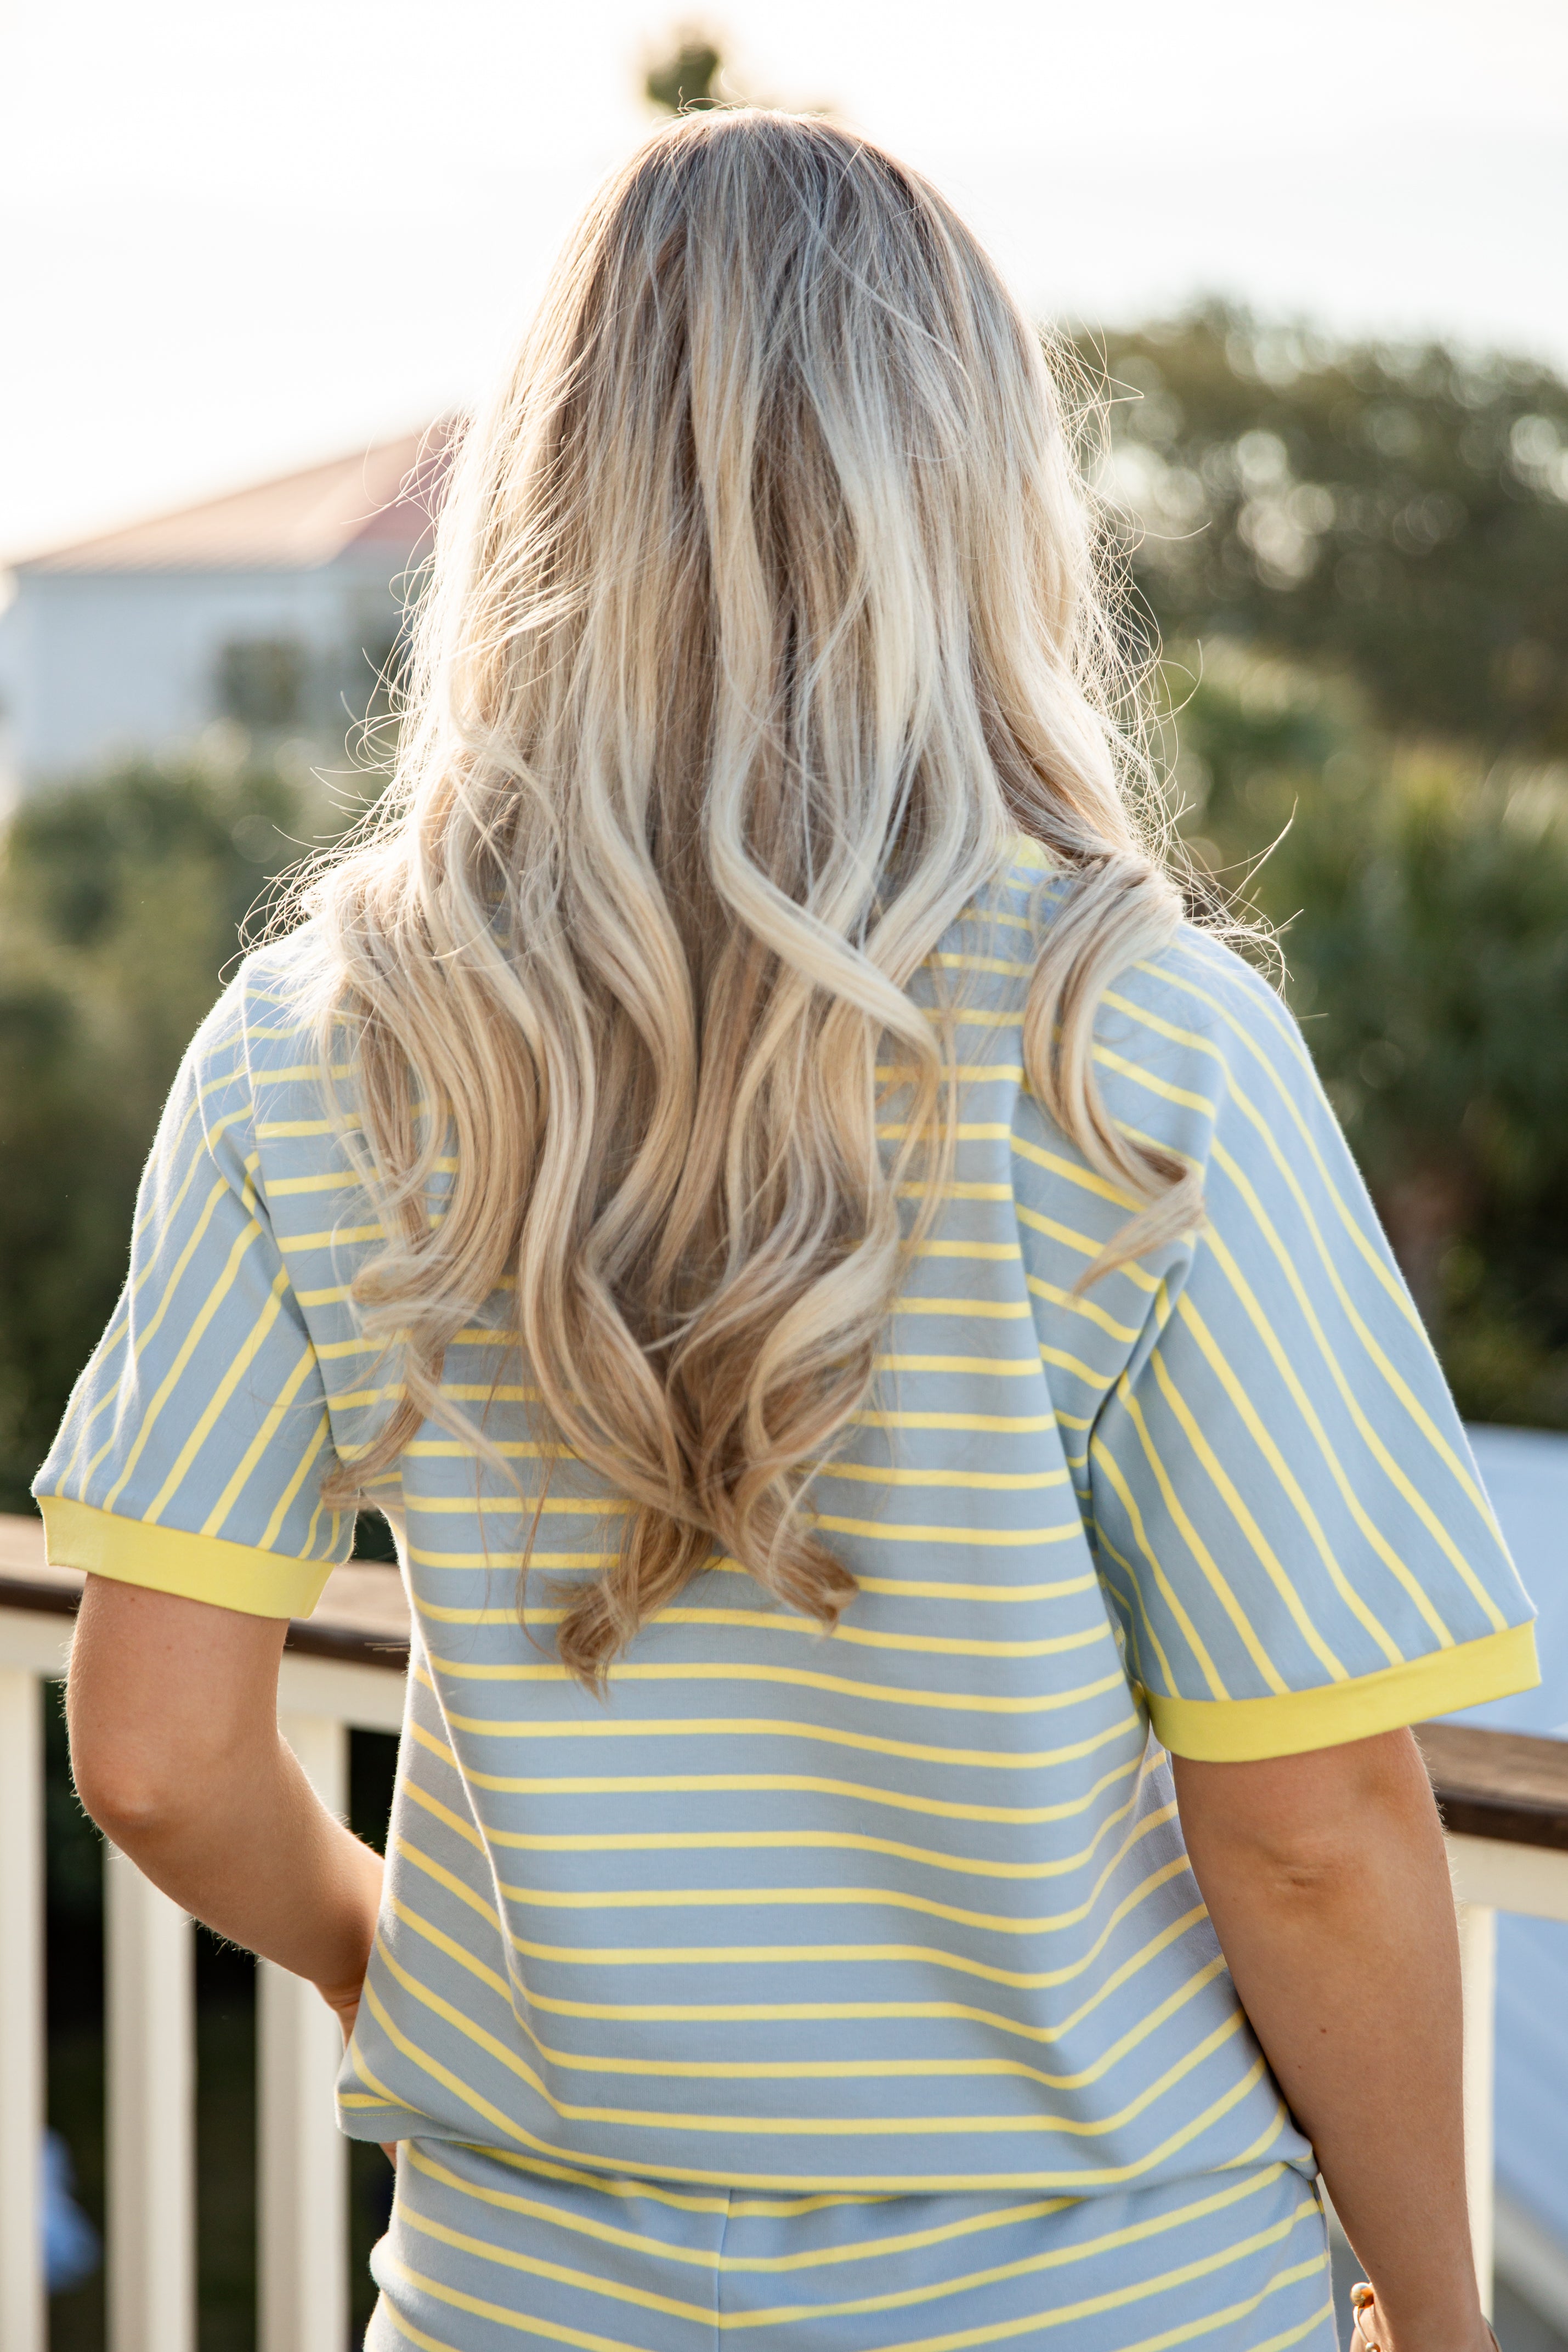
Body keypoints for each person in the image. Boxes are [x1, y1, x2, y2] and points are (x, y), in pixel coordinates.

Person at [40, 109, 1532, 2352]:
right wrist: (1432, 2308)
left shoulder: (316, 1038)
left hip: (515, 2294)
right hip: (1102, 2299)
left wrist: (395, 1960)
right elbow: (1314, 1822)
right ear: (971, 503)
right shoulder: (1137, 1039)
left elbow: (153, 1745)